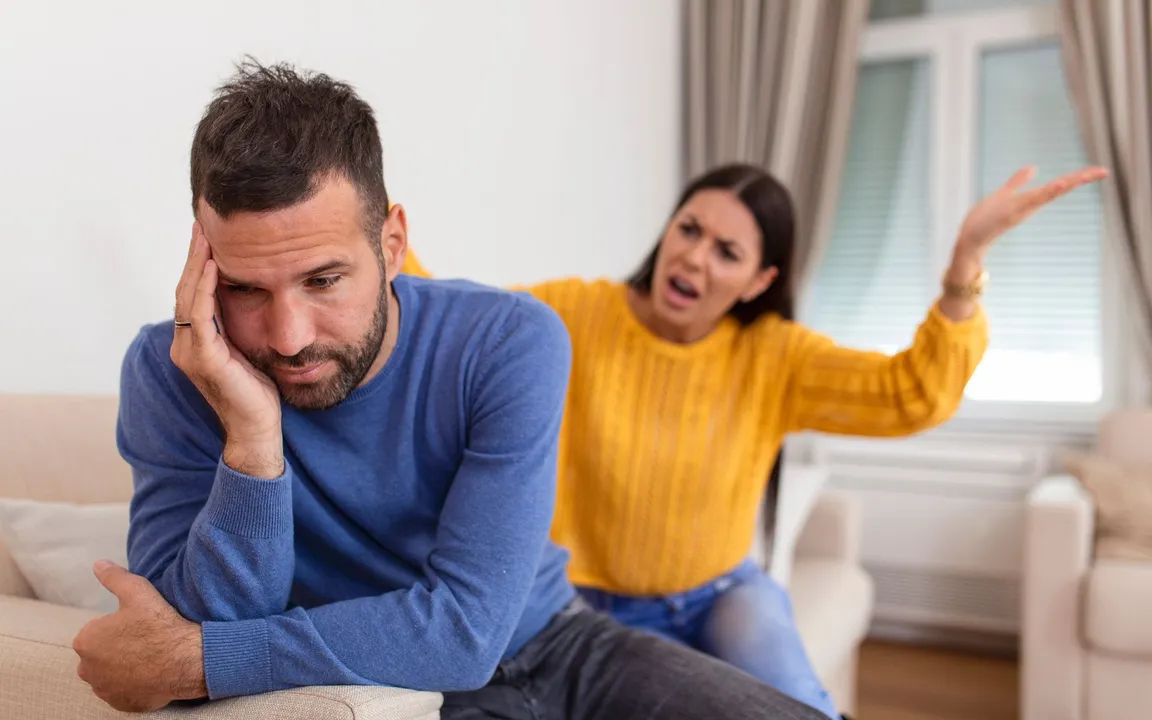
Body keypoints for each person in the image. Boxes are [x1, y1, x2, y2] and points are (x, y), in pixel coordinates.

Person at [68, 60, 831, 720]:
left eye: (324, 279)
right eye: (242, 288)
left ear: (392, 244)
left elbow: (465, 630)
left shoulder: (509, 340)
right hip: (402, 696)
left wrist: (203, 661)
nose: (290, 335)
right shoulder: (174, 370)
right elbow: (184, 625)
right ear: (203, 267)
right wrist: (253, 445)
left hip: (558, 642)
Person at [401, 159, 1107, 717]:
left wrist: (965, 265)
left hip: (719, 595)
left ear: (758, 279)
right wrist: (372, 226)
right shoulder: (576, 313)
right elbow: (456, 328)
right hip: (579, 608)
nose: (695, 259)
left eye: (727, 251)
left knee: (797, 708)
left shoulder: (775, 356)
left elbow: (911, 394)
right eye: (689, 230)